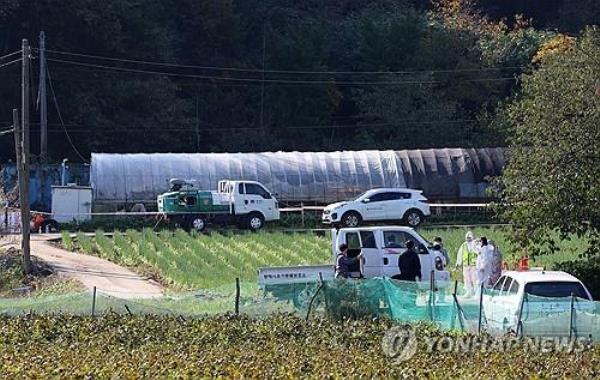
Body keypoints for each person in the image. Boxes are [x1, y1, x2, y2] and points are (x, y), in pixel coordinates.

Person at [456, 231, 479, 297]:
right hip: (466, 265)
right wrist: (458, 263)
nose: (468, 239)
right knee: (466, 279)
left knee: (475, 279)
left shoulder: (475, 244)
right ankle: (469, 292)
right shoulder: (463, 245)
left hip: (474, 265)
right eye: (467, 237)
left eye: (469, 237)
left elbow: (478, 252)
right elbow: (460, 254)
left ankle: (476, 292)